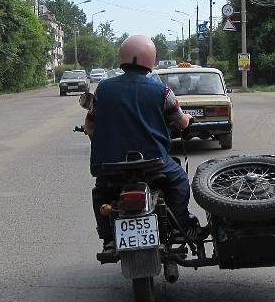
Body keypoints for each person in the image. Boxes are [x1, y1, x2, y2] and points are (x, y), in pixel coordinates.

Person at [84, 35, 198, 248]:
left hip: (111, 165)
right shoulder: (162, 90)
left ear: (122, 58)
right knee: (180, 182)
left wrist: (93, 134)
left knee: (101, 191)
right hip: (154, 163)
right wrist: (188, 120)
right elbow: (181, 123)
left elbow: (90, 125)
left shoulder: (103, 88)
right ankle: (178, 226)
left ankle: (109, 237)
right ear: (151, 60)